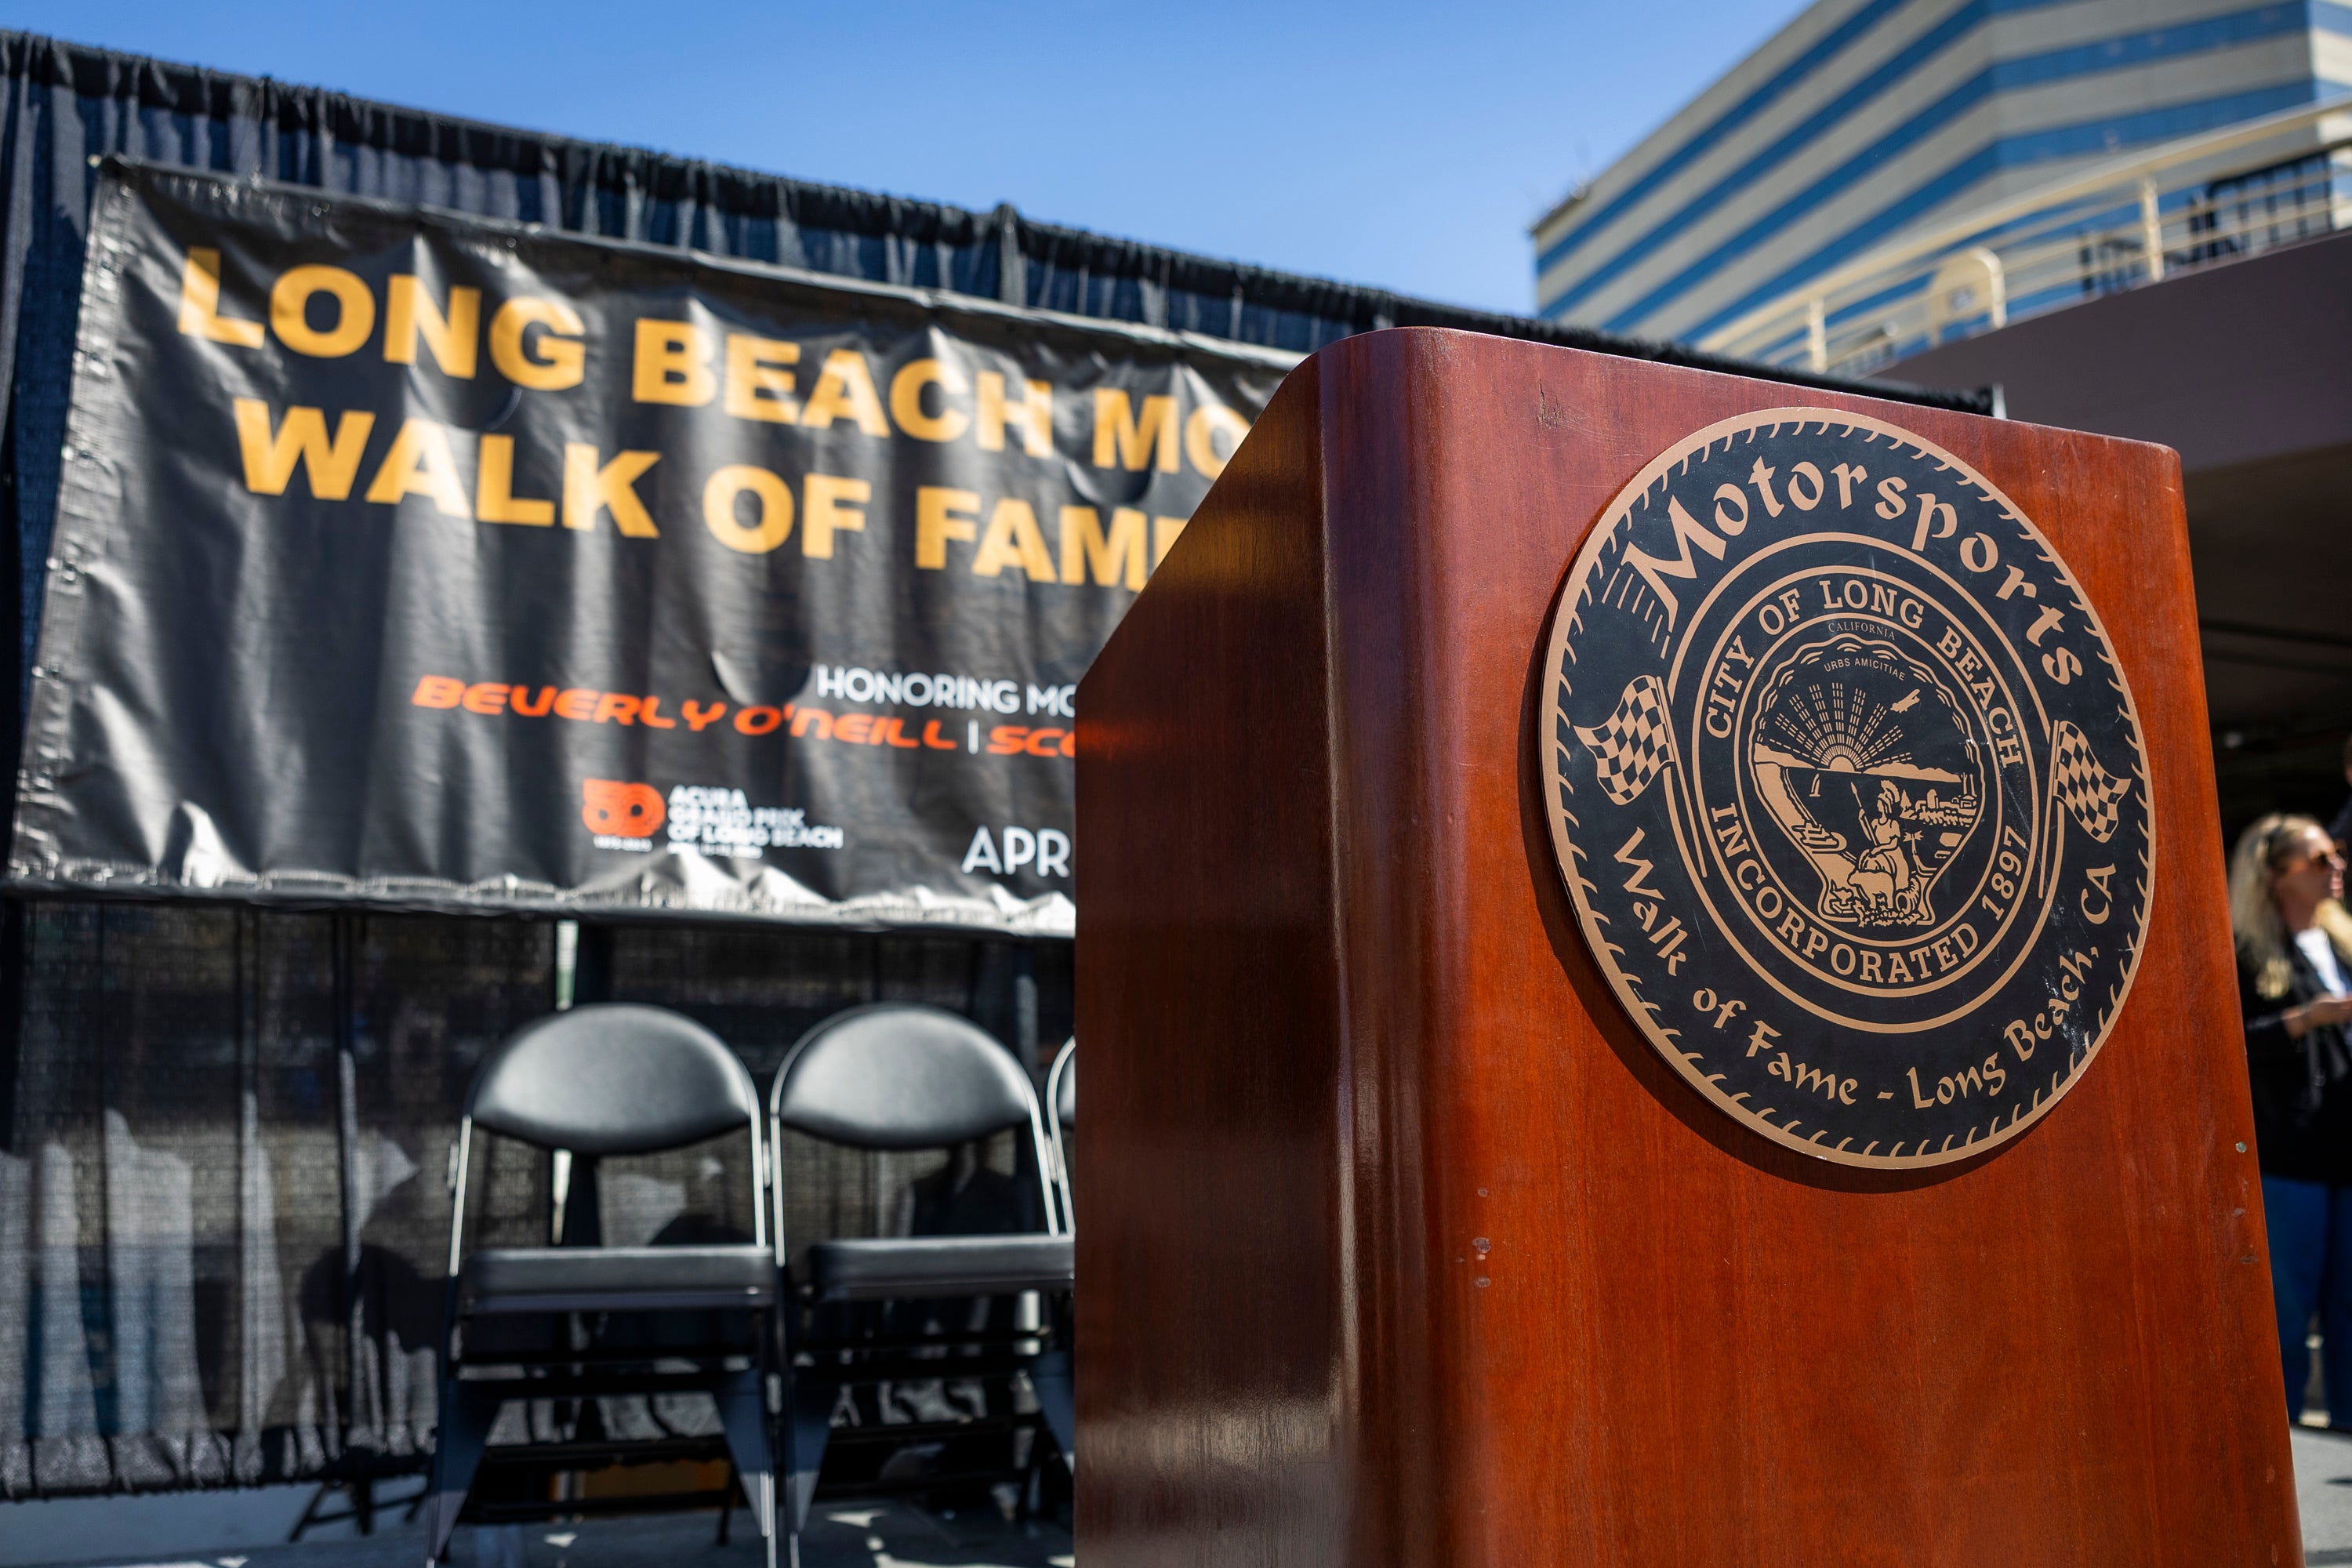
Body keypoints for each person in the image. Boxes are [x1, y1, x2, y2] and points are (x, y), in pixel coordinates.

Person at [2233, 812, 2352, 1421]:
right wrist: (2308, 1019)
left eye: (2337, 855)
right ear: (2278, 875)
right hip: (2290, 1157)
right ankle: (2284, 1455)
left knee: (2349, 1308)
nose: (2337, 866)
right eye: (2319, 858)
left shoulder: (2339, 941)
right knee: (2286, 1310)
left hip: (2343, 1151)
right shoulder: (2249, 952)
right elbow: (2230, 1042)